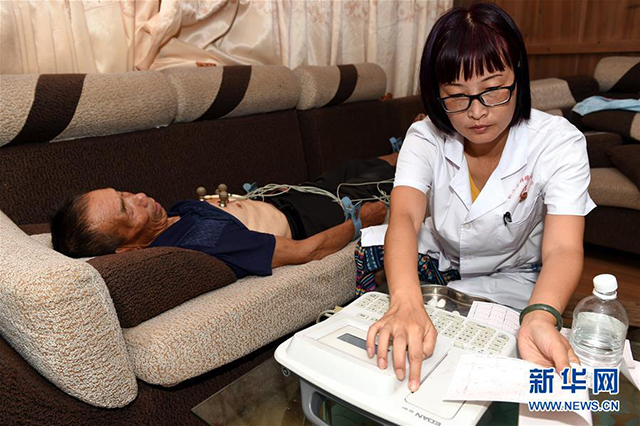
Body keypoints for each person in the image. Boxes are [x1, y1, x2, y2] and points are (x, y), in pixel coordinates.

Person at [361, 3, 595, 393]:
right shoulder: (425, 137)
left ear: (518, 75)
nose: (477, 113)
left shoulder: (558, 142)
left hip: (513, 273)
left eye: (493, 90)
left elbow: (563, 247)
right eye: (456, 96)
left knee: (495, 358)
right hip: (440, 261)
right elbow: (403, 218)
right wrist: (405, 300)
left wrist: (540, 316)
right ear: (436, 95)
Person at [50, 156, 396, 278]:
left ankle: (411, 140)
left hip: (292, 196)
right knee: (385, 178)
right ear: (126, 250)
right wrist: (360, 223)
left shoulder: (170, 222)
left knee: (358, 165)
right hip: (312, 215)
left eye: (123, 194)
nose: (138, 196)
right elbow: (308, 251)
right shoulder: (200, 241)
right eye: (127, 209)